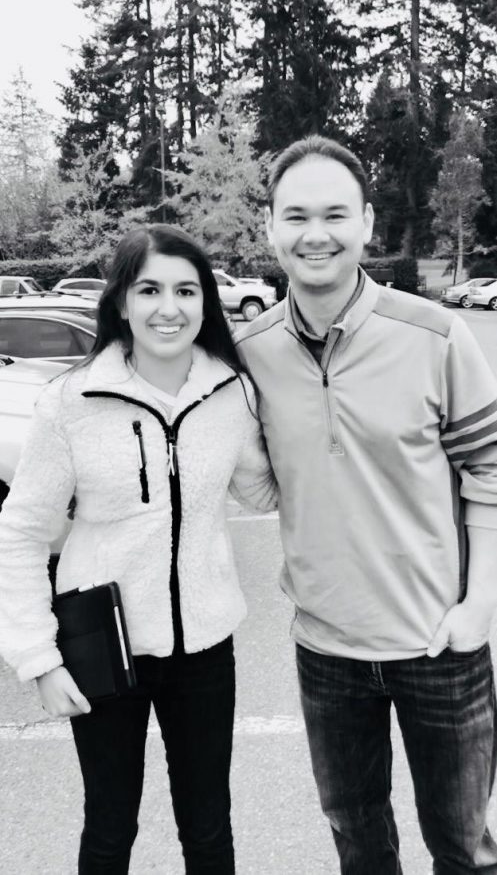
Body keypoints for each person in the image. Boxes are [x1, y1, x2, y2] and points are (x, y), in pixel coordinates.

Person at [235, 135, 497, 875]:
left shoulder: (434, 334)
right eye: (295, 215)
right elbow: (253, 480)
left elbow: (489, 469)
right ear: (270, 229)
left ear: (366, 222)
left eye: (333, 214)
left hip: (437, 643)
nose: (314, 233)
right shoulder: (248, 352)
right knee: (357, 841)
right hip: (325, 651)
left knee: (463, 846)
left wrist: (478, 604)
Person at [0, 224, 276, 875]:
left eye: (186, 289)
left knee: (208, 828)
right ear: (120, 301)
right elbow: (21, 531)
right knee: (109, 826)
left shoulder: (229, 393)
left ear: (206, 303)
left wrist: (310, 429)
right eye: (148, 289)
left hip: (205, 649)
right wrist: (38, 659)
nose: (168, 307)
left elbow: (262, 494)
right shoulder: (68, 403)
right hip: (103, 647)